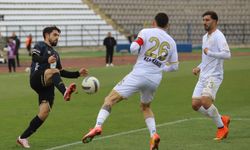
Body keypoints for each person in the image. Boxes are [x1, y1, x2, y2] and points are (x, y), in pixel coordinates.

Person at [82, 13, 178, 150]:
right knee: (146, 107)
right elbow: (175, 66)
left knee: (109, 100)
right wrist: (162, 67)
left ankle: (97, 126)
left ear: (153, 22)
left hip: (139, 74)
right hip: (155, 79)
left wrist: (138, 52)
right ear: (167, 25)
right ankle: (153, 135)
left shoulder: (146, 32)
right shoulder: (171, 42)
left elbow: (133, 48)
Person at [17, 26, 88, 148]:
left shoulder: (55, 53)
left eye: (58, 35)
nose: (57, 37)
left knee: (44, 113)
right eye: (55, 35)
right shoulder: (40, 45)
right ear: (46, 35)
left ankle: (23, 137)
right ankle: (65, 91)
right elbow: (34, 57)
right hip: (37, 78)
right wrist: (46, 59)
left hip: (48, 84)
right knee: (53, 70)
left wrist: (77, 73)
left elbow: (60, 72)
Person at [191, 11, 231, 141]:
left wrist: (211, 53)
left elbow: (227, 54)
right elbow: (206, 58)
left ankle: (221, 128)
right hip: (203, 75)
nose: (204, 22)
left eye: (207, 20)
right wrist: (199, 67)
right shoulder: (205, 37)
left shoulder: (219, 36)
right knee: (195, 105)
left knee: (205, 101)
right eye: (203, 20)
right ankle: (222, 119)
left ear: (215, 21)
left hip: (214, 75)